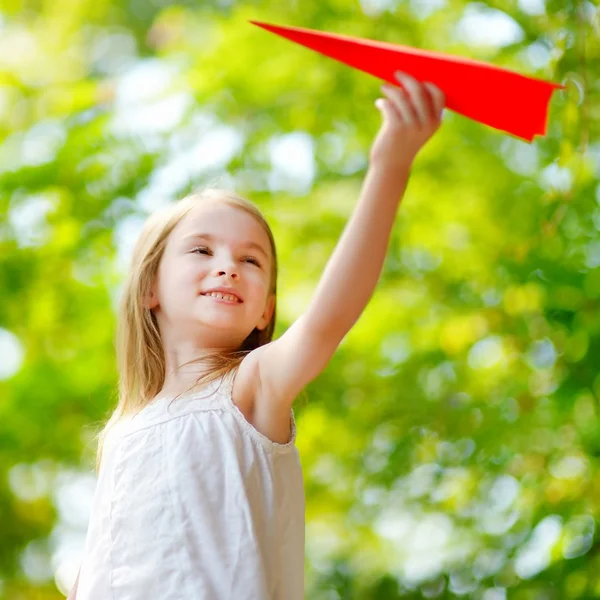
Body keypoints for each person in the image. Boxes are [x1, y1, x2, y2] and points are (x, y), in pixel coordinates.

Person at [67, 70, 444, 600]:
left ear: (265, 310)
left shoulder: (249, 388)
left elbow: (328, 319)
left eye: (251, 259)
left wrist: (391, 165)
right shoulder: (124, 433)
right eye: (202, 250)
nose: (228, 267)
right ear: (150, 287)